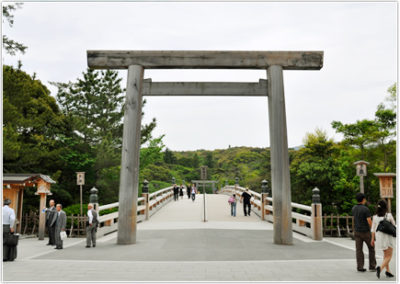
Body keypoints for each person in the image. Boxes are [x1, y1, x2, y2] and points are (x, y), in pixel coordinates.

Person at [351, 192, 376, 272]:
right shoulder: (366, 209)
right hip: (365, 232)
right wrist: (373, 228)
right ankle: (372, 266)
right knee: (371, 248)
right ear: (363, 199)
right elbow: (369, 220)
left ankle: (360, 266)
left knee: (359, 250)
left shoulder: (354, 208)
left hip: (357, 231)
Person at [371, 200, 395, 278]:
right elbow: (394, 225)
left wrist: (372, 239)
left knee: (385, 254)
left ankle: (388, 271)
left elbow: (373, 229)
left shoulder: (375, 217)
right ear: (386, 207)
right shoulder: (389, 215)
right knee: (389, 255)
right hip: (388, 237)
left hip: (379, 238)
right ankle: (380, 268)